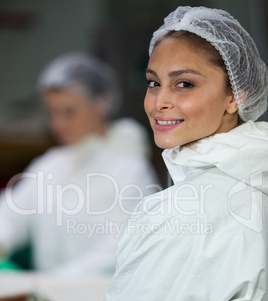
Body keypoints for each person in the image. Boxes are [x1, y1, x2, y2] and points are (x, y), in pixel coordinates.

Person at [96, 6, 268, 301]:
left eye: (185, 84)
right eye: (153, 83)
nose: (160, 102)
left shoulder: (183, 212)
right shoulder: (255, 183)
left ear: (234, 96)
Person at [0, 53, 159, 275]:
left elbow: (117, 249)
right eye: (51, 113)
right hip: (49, 298)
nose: (58, 123)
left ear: (101, 104)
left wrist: (51, 283)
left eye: (69, 112)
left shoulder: (129, 169)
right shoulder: (51, 164)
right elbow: (10, 214)